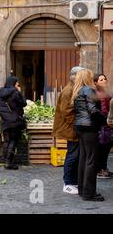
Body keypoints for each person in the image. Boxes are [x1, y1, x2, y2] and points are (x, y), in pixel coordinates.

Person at [72, 69, 106, 201]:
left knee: (84, 158)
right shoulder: (89, 90)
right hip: (89, 127)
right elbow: (93, 110)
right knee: (91, 160)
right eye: (91, 77)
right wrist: (105, 121)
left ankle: (82, 189)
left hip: (80, 127)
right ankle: (89, 193)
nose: (93, 79)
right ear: (87, 78)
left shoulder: (78, 91)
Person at [52, 66, 84, 195]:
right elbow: (67, 112)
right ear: (74, 76)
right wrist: (77, 125)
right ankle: (68, 183)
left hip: (73, 128)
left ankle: (73, 181)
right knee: (72, 155)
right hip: (70, 128)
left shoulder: (74, 89)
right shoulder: (68, 91)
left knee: (74, 155)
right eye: (81, 75)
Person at [0, 76, 27, 170]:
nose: (18, 85)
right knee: (13, 141)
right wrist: (20, 92)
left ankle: (6, 160)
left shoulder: (0, 92)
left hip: (4, 120)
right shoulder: (15, 93)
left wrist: (0, 108)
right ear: (14, 84)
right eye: (17, 84)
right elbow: (24, 103)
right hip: (14, 120)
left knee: (6, 140)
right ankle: (8, 163)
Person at [94, 74, 113, 179]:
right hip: (102, 125)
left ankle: (103, 168)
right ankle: (100, 170)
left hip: (108, 124)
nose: (104, 80)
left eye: (105, 78)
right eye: (101, 79)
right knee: (102, 148)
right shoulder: (97, 93)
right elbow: (102, 109)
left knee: (106, 147)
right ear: (96, 82)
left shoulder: (107, 92)